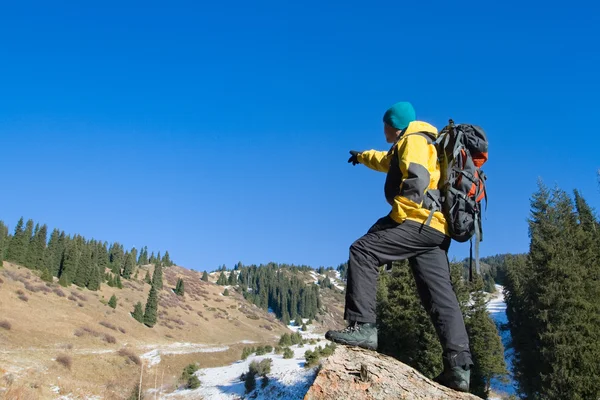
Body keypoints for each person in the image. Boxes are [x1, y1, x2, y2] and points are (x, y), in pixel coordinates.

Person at [325, 101, 473, 392]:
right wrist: (362, 156)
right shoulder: (416, 142)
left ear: (394, 125)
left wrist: (395, 218)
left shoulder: (414, 142)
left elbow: (416, 181)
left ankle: (363, 327)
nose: (383, 130)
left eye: (385, 125)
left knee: (363, 250)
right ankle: (459, 369)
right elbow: (385, 160)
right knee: (439, 297)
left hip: (418, 222)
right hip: (436, 230)